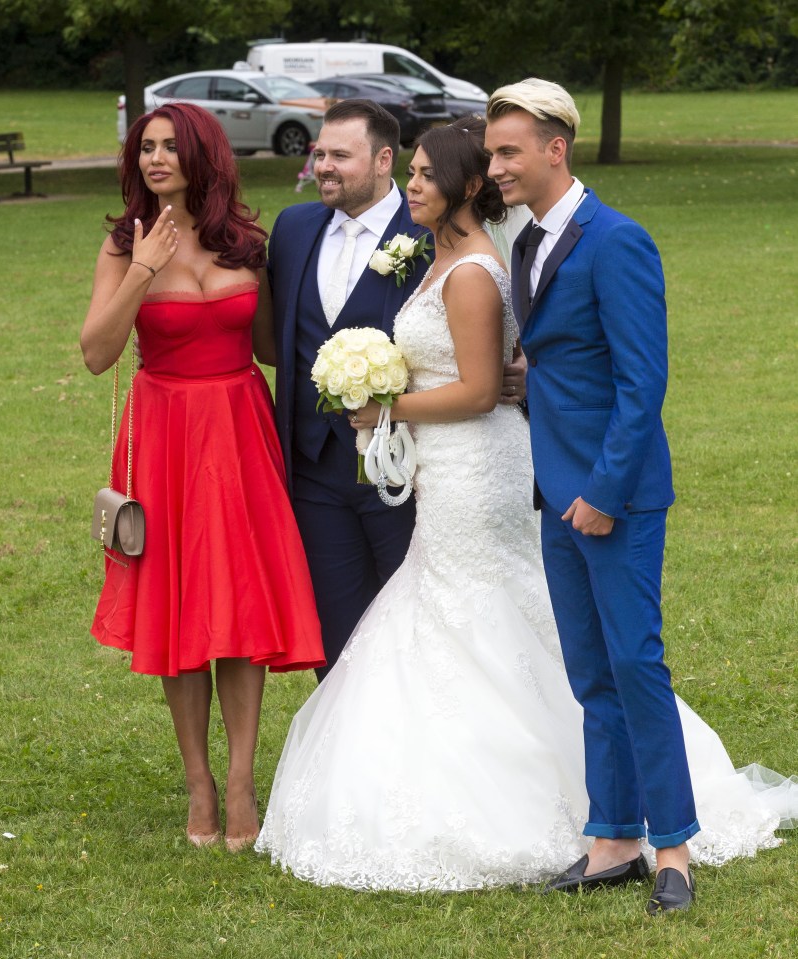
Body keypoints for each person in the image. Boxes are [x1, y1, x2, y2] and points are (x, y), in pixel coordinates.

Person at [256, 116, 795, 892]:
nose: (409, 186)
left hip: (508, 473)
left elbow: (509, 387)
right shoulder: (504, 251)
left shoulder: (530, 256)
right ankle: (611, 831)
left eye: (422, 175)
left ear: (475, 181)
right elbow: (531, 358)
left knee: (586, 643)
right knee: (554, 643)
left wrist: (391, 406)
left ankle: (665, 834)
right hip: (483, 469)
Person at [81, 102, 324, 852]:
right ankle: (199, 782)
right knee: (179, 607)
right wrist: (145, 269)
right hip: (165, 435)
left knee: (241, 605)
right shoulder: (124, 243)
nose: (155, 159)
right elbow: (96, 352)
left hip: (240, 426)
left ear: (202, 157)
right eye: (145, 148)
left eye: (169, 147)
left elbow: (273, 345)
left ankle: (245, 778)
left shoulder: (245, 242)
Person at [484, 77, 691, 912]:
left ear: (554, 148)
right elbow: (571, 356)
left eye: (508, 150)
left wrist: (605, 490)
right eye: (493, 150)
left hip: (618, 493)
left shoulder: (617, 240)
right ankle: (613, 839)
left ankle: (673, 848)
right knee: (591, 671)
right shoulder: (530, 241)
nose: (495, 165)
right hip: (556, 489)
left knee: (637, 663)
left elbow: (644, 382)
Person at [258, 99, 526, 678]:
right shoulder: (293, 229)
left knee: (422, 620)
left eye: (340, 155)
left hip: (413, 467)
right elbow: (272, 337)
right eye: (319, 154)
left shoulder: (436, 230)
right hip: (312, 469)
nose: (325, 166)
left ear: (383, 158)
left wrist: (522, 366)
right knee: (338, 629)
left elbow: (497, 320)